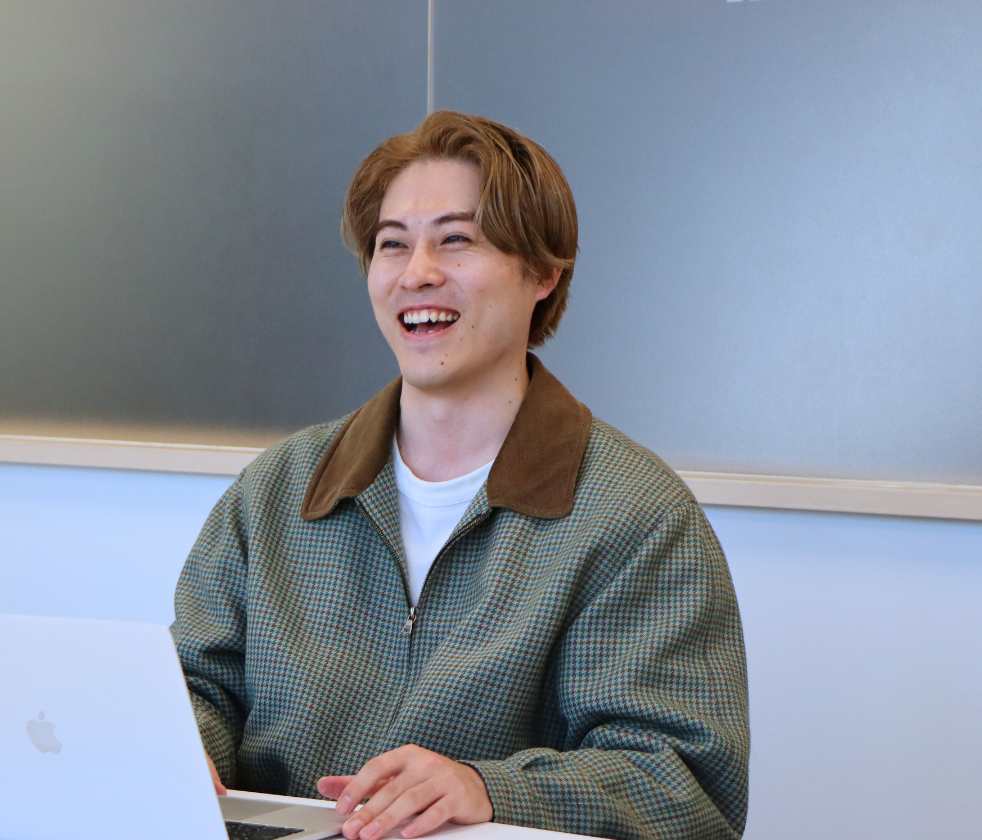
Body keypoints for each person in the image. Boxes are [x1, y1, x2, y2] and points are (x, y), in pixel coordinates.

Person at [172, 111, 748, 840]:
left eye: (456, 239)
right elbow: (197, 683)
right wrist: (181, 743)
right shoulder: (278, 490)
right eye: (392, 244)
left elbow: (684, 786)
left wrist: (489, 790)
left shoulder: (635, 517)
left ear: (543, 272)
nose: (417, 273)